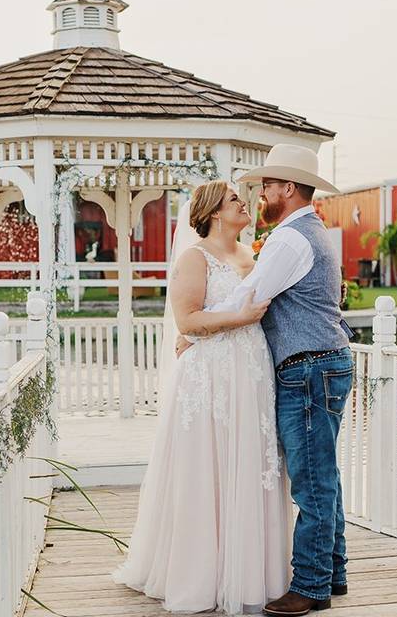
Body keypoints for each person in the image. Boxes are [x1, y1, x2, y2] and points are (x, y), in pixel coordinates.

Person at [184, 144, 353, 616]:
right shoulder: (310, 232)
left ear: (289, 189)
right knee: (325, 474)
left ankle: (313, 586)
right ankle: (333, 571)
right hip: (323, 363)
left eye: (267, 186)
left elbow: (249, 297)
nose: (259, 193)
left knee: (312, 482)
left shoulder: (288, 239)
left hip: (309, 367)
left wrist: (195, 326)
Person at [113, 180, 291, 615]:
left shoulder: (252, 255)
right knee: (207, 467)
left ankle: (250, 570)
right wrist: (235, 317)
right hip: (210, 376)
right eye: (235, 199)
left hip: (250, 371)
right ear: (214, 212)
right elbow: (187, 319)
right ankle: (201, 574)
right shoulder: (194, 257)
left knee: (249, 464)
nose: (244, 203)